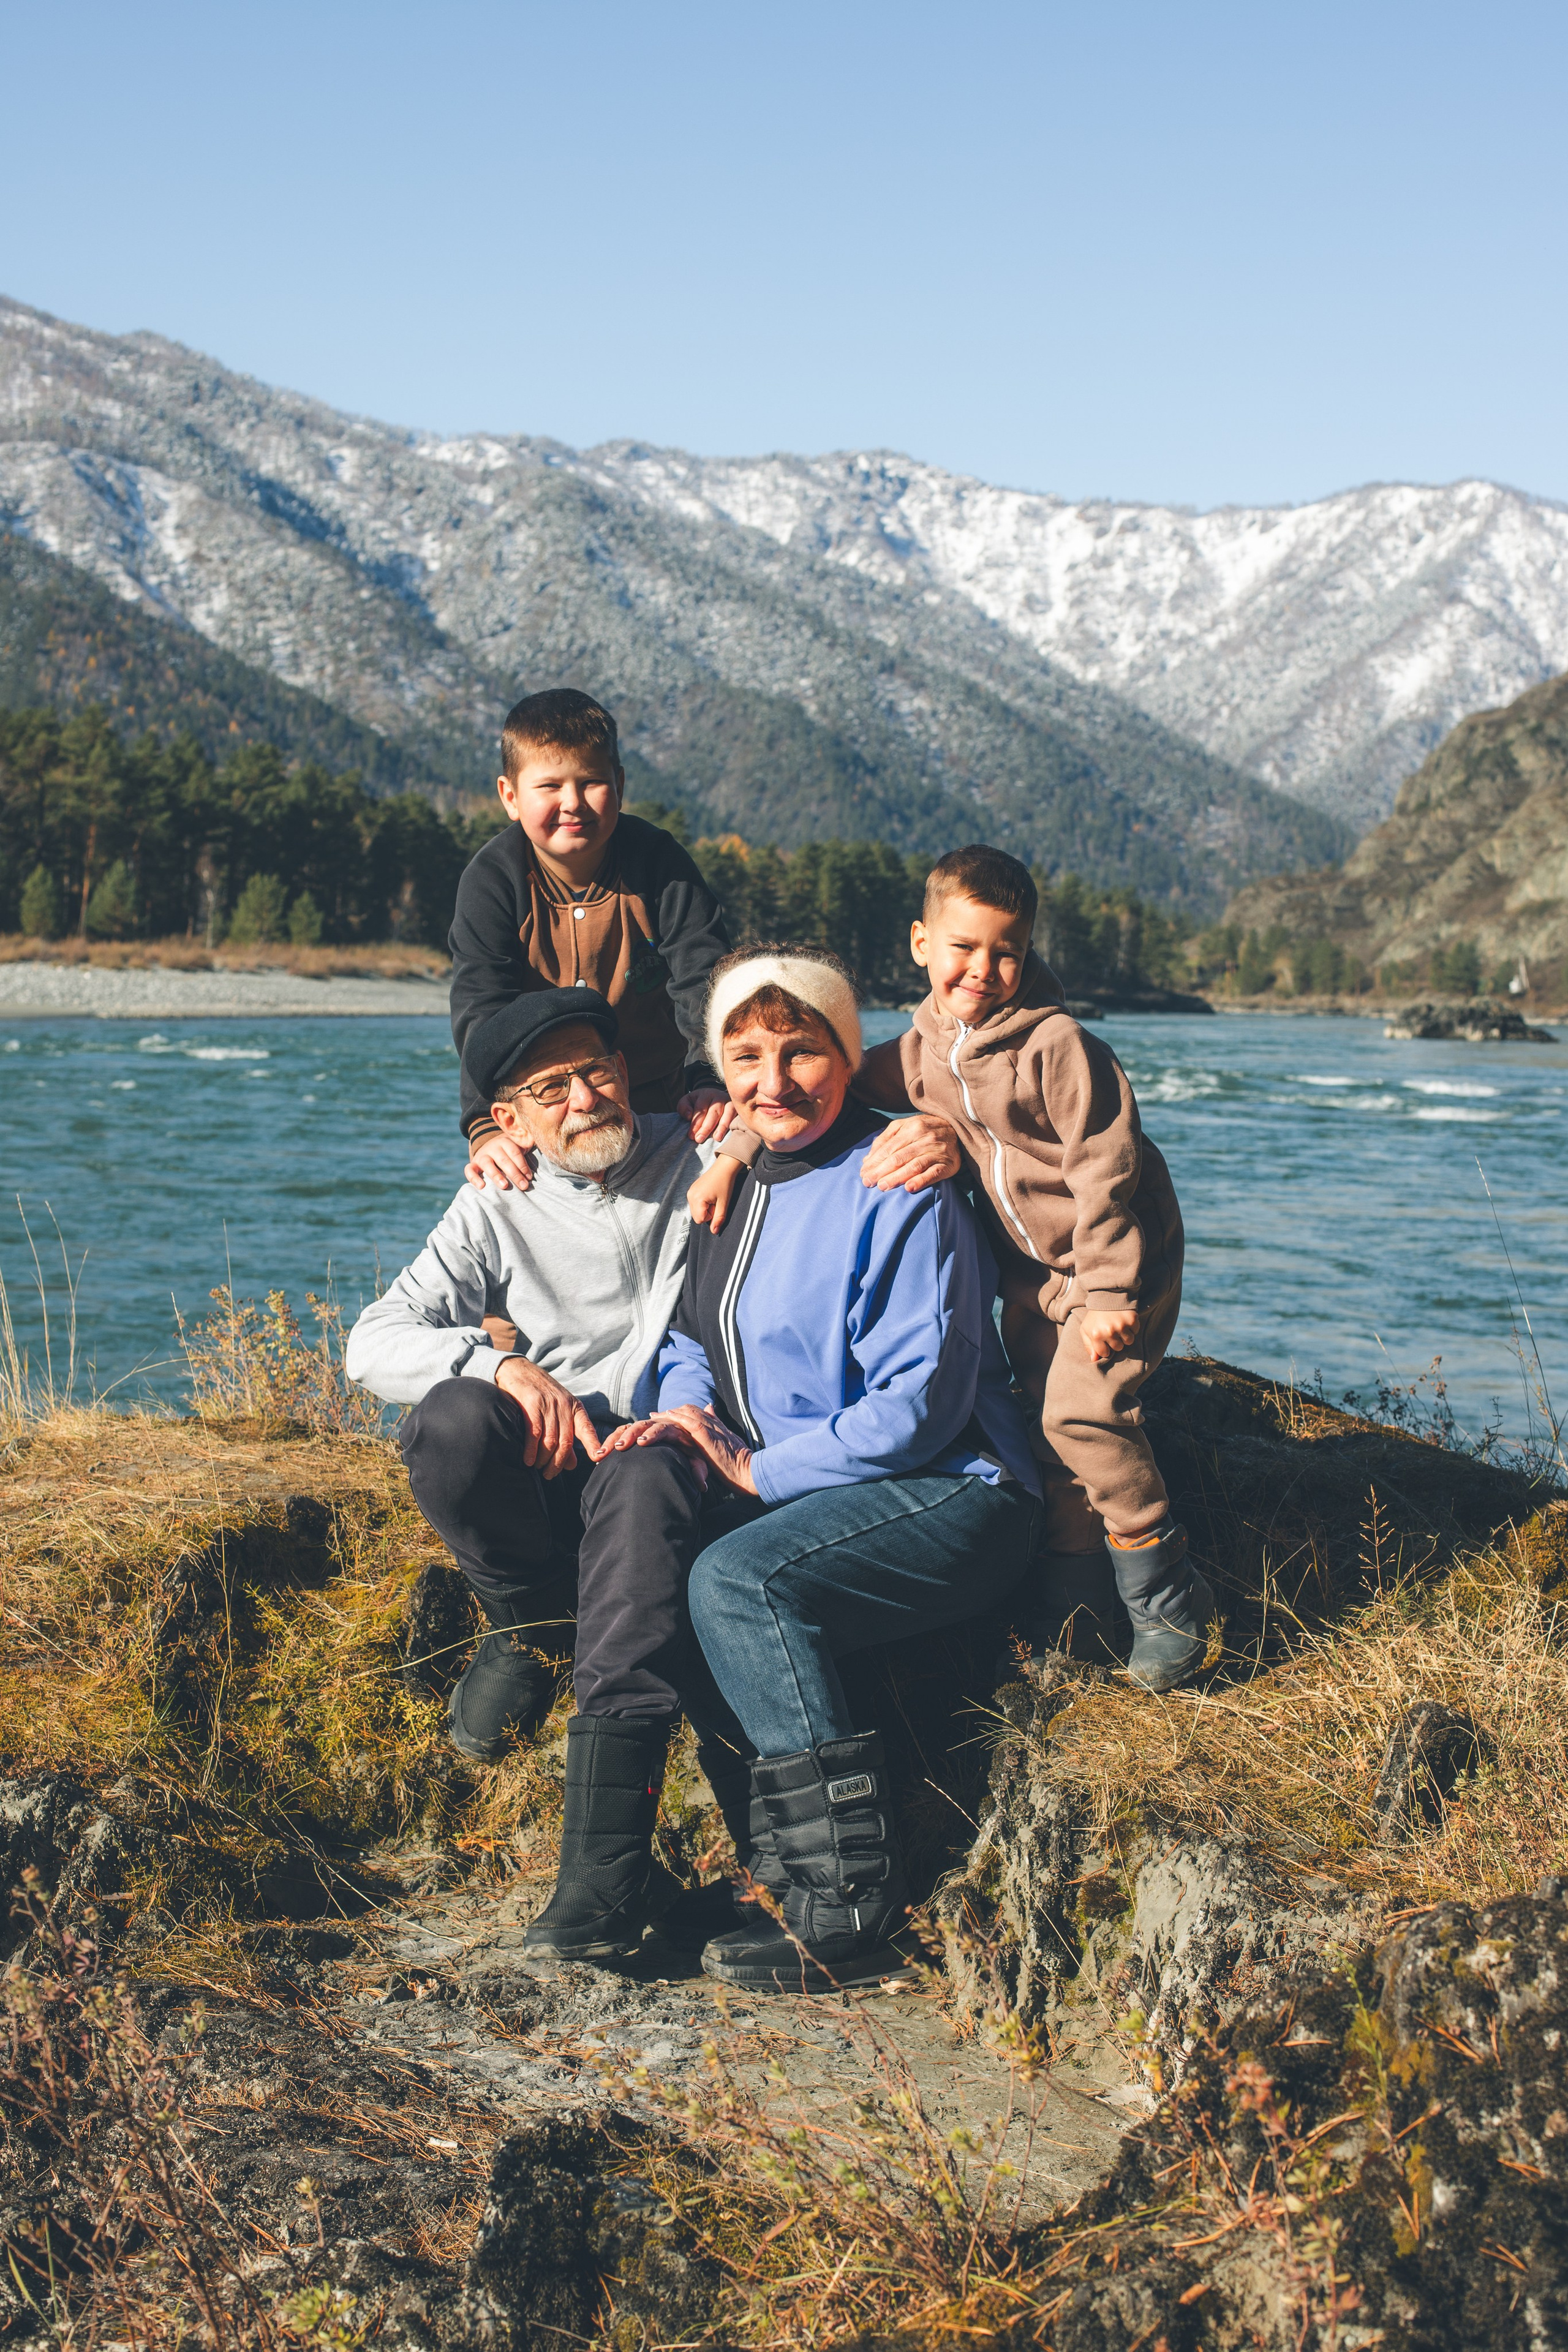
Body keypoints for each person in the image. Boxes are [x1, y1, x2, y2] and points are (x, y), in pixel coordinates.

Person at [605, 947, 1041, 1992]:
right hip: (825, 1490)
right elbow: (688, 1339)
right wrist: (686, 1414)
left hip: (954, 1490)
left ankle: (848, 1912)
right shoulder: (738, 1179)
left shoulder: (898, 1175)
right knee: (669, 1567)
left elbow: (923, 1402)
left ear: (847, 1055)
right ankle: (779, 1869)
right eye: (746, 1055)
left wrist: (757, 1474)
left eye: (802, 1052)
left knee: (741, 1581)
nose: (773, 1080)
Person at [690, 847, 1213, 1694]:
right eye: (964, 948)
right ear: (922, 942)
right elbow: (815, 1080)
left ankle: (1167, 1597)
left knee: (1084, 1418)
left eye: (1007, 952)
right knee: (1046, 1427)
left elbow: (1107, 1171)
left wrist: (1113, 1292)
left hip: (1112, 1263)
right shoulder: (930, 1046)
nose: (984, 969)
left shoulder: (1057, 1047)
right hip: (1033, 1275)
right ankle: (1076, 1611)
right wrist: (737, 1149)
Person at [344, 987, 745, 1964]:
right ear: (508, 1121)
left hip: (666, 1455)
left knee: (646, 1483)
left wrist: (924, 1137)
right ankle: (528, 1620)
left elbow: (820, 1104)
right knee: (449, 1417)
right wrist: (501, 1366)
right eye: (550, 1087)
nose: (583, 1099)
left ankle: (600, 1883)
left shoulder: (700, 1146)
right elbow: (370, 1343)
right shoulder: (498, 1198)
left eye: (597, 1071)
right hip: (553, 1462)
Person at [450, 688, 736, 1194]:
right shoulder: (492, 880)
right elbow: (480, 1010)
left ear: (620, 785)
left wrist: (710, 1081)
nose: (572, 803)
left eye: (592, 782)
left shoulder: (659, 862)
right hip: (550, 1107)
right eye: (549, 786)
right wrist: (485, 1127)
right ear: (510, 797)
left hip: (664, 1101)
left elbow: (707, 980)